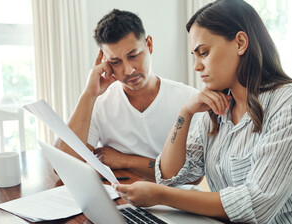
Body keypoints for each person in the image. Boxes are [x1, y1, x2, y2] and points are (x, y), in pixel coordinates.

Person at [114, 0, 292, 224]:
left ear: (240, 43)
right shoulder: (217, 108)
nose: (197, 66)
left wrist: (161, 196)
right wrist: (184, 114)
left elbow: (257, 204)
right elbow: (168, 177)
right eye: (194, 56)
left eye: (204, 53)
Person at [54, 9, 199, 181]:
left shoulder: (187, 99)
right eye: (115, 62)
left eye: (133, 55)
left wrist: (124, 160)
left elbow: (192, 176)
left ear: (149, 45)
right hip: (122, 200)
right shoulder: (99, 103)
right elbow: (62, 165)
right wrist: (89, 95)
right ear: (105, 62)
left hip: (175, 202)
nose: (128, 70)